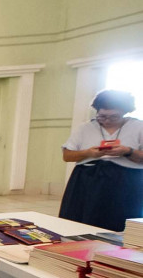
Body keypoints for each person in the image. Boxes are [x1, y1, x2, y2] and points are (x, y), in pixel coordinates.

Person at [59, 89, 143, 232]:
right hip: (87, 180)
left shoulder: (138, 127)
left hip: (126, 181)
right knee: (81, 220)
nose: (107, 121)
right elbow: (67, 155)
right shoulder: (86, 128)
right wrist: (89, 153)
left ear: (125, 111)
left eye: (113, 117)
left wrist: (127, 151)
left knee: (119, 222)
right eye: (102, 116)